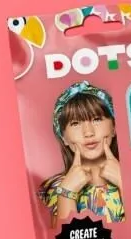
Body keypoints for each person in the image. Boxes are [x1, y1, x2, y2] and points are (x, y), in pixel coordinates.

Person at [38, 81, 125, 228]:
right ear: (63, 137)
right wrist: (67, 192)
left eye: (97, 119)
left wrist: (125, 183)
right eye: (75, 123)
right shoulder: (54, 188)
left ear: (114, 127)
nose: (88, 133)